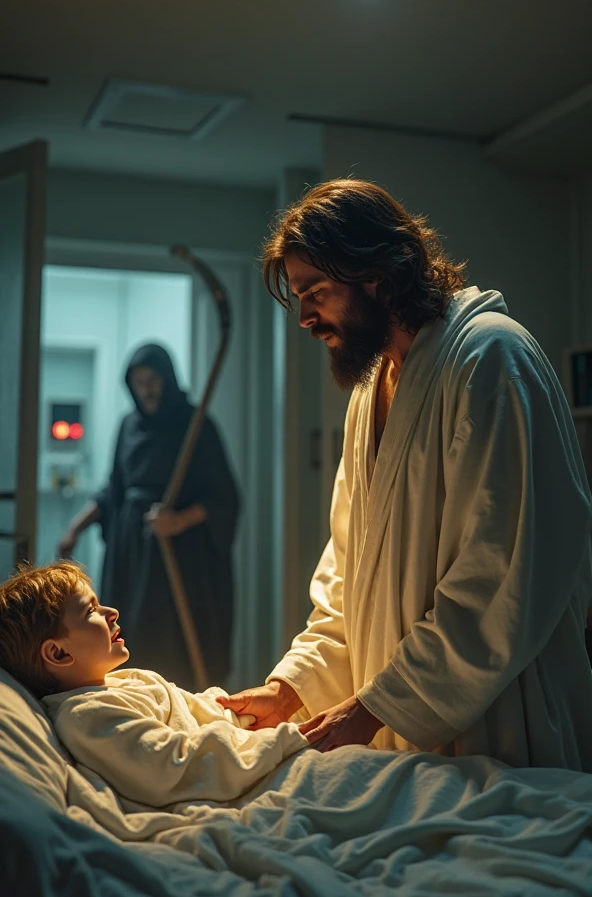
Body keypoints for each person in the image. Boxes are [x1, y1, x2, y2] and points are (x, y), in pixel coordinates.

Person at [218, 178, 592, 771]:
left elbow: (500, 578)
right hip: (400, 726)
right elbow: (350, 571)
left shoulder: (492, 360)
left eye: (315, 291)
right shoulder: (371, 390)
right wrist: (294, 687)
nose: (305, 318)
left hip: (500, 722)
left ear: (379, 273)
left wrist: (372, 708)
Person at [0, 563, 306, 806]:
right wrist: (276, 743)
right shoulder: (88, 718)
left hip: (255, 736)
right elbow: (175, 766)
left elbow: (188, 709)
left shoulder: (115, 684)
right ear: (59, 652)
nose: (112, 613)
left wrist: (227, 708)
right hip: (256, 754)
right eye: (90, 610)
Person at [58, 343, 239, 690]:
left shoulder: (195, 423)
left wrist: (178, 521)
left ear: (167, 379)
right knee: (132, 630)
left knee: (174, 637)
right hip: (133, 552)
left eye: (152, 379)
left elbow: (223, 498)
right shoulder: (128, 425)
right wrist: (74, 528)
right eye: (138, 382)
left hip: (180, 554)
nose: (147, 389)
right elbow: (114, 489)